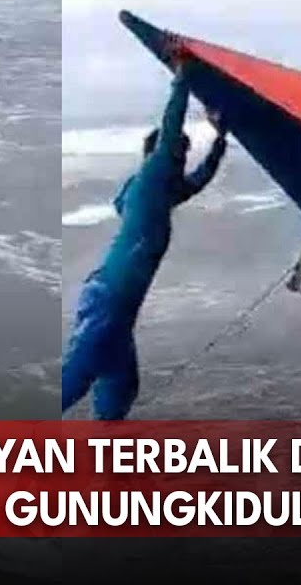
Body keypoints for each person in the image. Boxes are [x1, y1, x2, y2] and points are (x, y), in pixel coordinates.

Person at [61, 53, 228, 420]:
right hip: (108, 302)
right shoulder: (152, 178)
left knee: (121, 389)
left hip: (119, 313)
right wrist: (182, 77)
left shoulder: (161, 193)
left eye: (182, 155)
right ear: (158, 156)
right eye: (178, 154)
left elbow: (201, 179)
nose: (181, 160)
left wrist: (221, 138)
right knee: (70, 383)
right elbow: (170, 129)